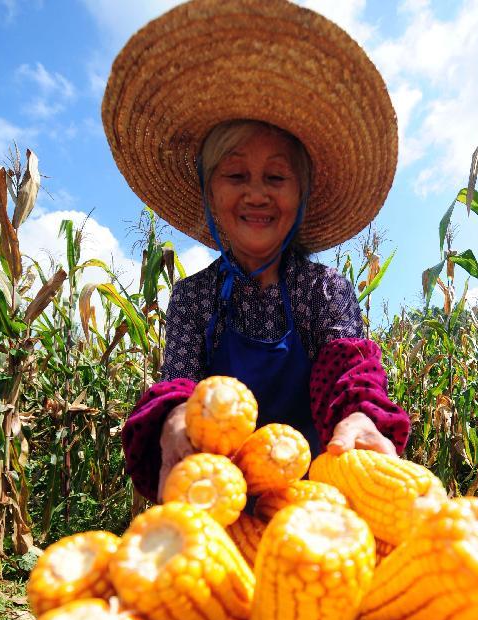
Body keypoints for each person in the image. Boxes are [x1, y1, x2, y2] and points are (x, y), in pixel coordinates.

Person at [102, 0, 411, 503]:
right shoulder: (195, 298)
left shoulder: (322, 291)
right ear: (210, 194)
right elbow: (178, 383)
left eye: (276, 177)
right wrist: (176, 418)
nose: (257, 194)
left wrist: (358, 415)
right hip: (217, 506)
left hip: (310, 509)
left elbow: (348, 376)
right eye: (235, 175)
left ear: (300, 195)